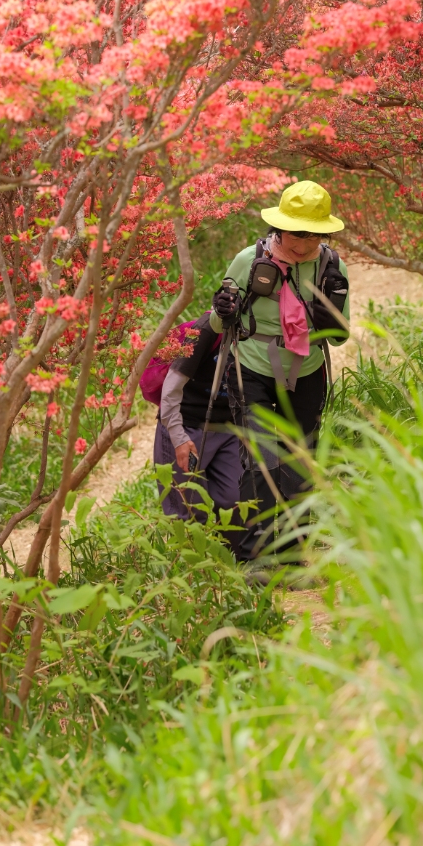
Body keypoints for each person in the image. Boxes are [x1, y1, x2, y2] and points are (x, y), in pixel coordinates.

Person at [210, 180, 350, 564]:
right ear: (279, 226)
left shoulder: (330, 267)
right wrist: (222, 310)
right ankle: (255, 556)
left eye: (314, 234)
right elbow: (220, 326)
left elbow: (339, 337)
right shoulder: (247, 261)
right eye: (296, 233)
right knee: (260, 457)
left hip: (306, 370)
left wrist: (331, 320)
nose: (303, 244)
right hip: (251, 367)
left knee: (298, 458)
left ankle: (292, 553)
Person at [151, 315, 243, 529]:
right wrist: (178, 437)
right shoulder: (208, 329)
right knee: (187, 513)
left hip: (228, 429)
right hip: (186, 425)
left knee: (236, 503)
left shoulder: (263, 333)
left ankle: (236, 561)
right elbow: (170, 391)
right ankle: (190, 562)